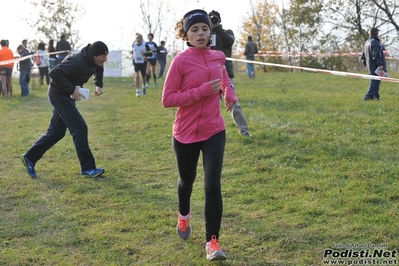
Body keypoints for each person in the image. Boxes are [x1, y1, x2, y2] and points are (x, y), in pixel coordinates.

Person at [162, 9, 237, 261]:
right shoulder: (180, 62)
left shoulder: (218, 56)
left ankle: (212, 241)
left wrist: (230, 92)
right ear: (186, 34)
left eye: (204, 28)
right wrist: (202, 91)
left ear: (210, 31)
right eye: (194, 29)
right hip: (184, 133)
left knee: (212, 184)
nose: (201, 33)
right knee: (187, 181)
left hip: (214, 130)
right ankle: (183, 216)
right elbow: (167, 99)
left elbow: (223, 77)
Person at [21, 41, 109, 178]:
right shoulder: (77, 61)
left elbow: (98, 68)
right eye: (103, 56)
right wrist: (72, 89)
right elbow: (54, 72)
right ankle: (88, 168)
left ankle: (29, 157)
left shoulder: (94, 61)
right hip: (58, 96)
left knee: (56, 132)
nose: (105, 59)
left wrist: (98, 85)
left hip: (65, 96)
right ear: (95, 55)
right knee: (80, 128)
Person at [208, 10, 251, 137]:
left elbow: (229, 42)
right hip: (208, 74)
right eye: (210, 19)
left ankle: (245, 132)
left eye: (214, 19)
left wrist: (217, 28)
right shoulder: (205, 34)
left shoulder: (227, 32)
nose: (212, 21)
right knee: (207, 105)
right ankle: (209, 134)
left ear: (219, 20)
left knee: (233, 103)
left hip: (225, 73)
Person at [361, 27, 387, 101]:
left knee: (376, 80)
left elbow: (363, 56)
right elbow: (376, 55)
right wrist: (380, 64)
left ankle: (375, 95)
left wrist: (366, 65)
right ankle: (368, 96)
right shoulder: (374, 42)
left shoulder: (367, 42)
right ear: (376, 33)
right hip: (375, 65)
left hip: (370, 65)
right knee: (375, 80)